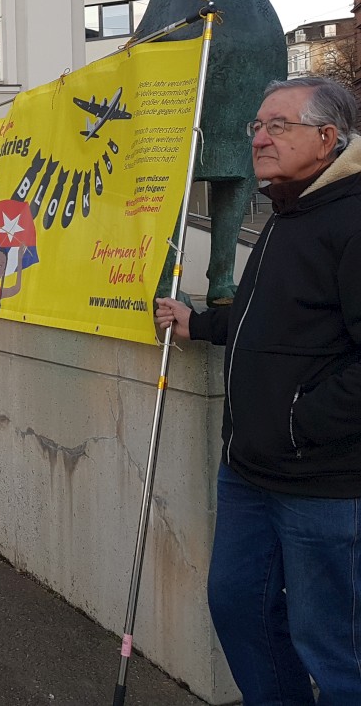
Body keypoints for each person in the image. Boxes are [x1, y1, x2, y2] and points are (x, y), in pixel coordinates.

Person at [155, 77, 361, 703]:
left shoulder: (350, 216)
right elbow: (266, 318)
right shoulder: (286, 211)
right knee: (239, 606)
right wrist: (201, 324)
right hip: (249, 471)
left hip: (322, 481)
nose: (260, 139)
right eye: (257, 126)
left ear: (327, 138)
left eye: (278, 126)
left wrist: (299, 423)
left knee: (334, 647)